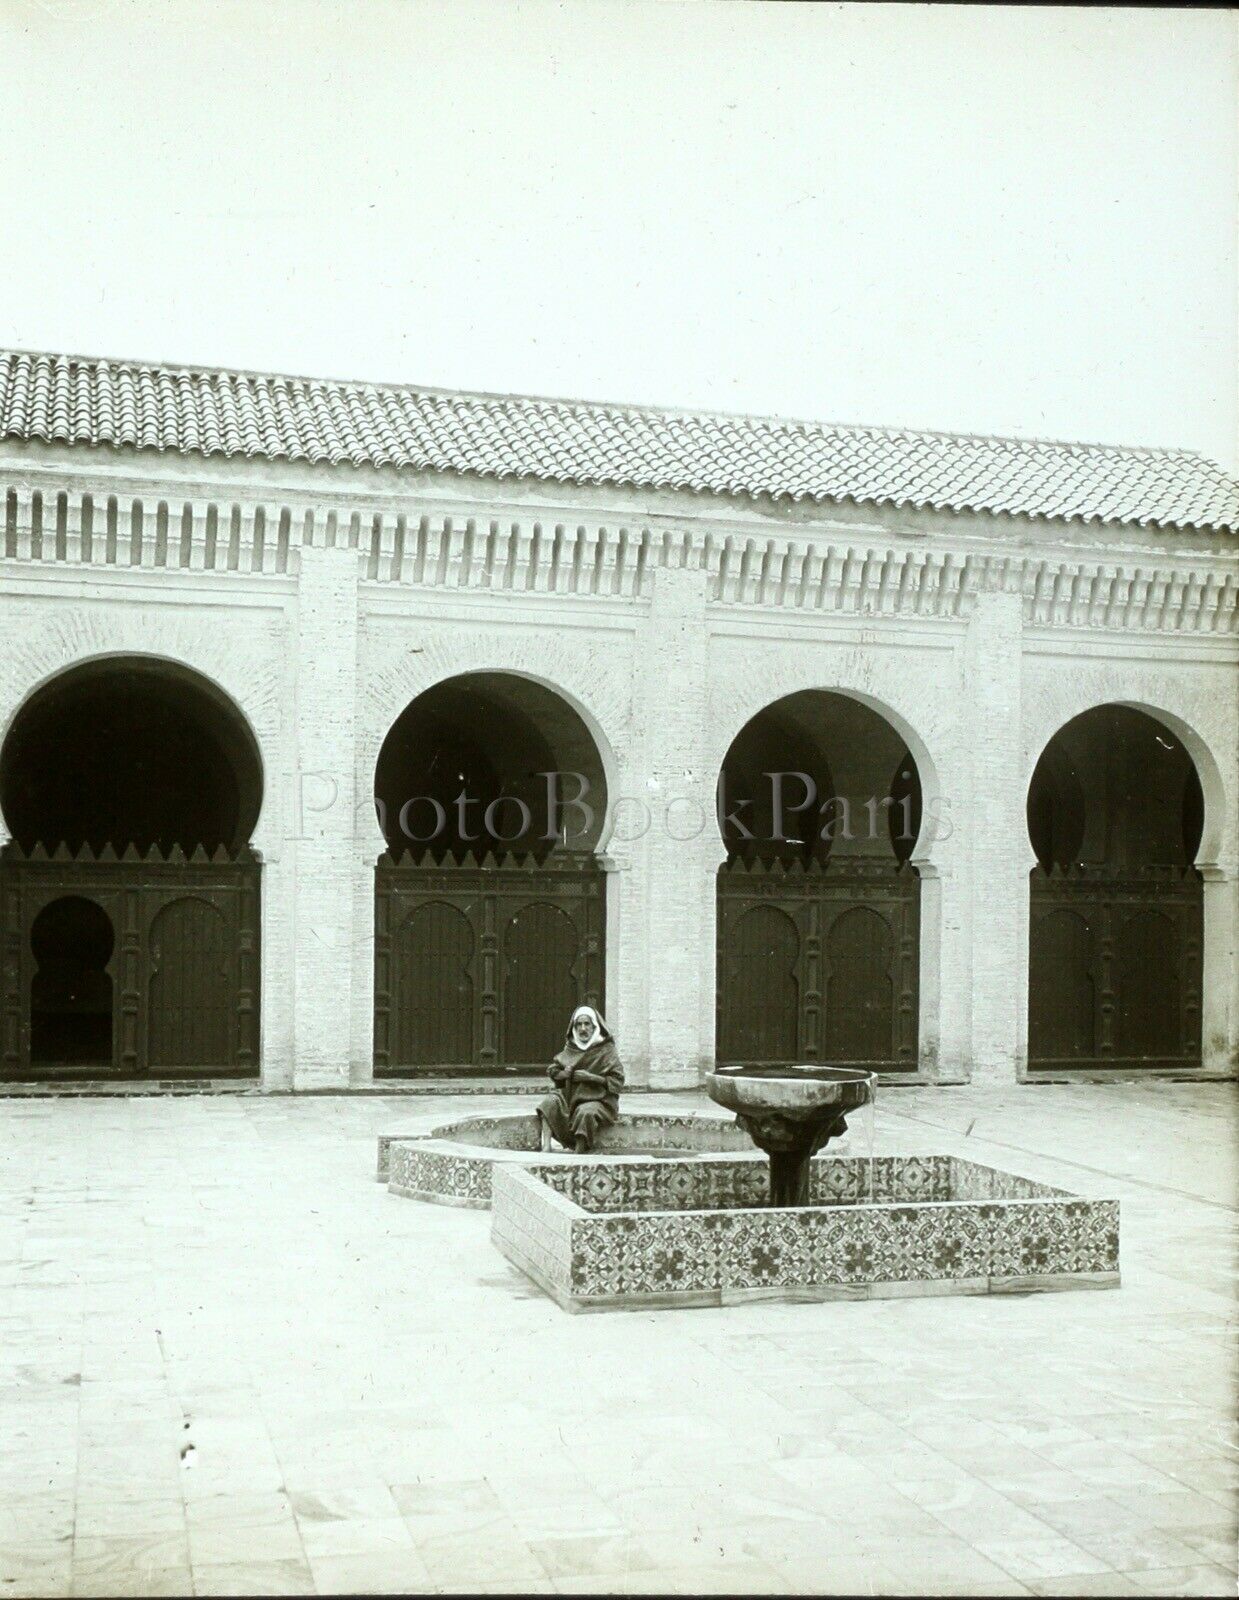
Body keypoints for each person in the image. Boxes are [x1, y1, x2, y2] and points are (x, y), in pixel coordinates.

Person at [537, 1004, 624, 1154]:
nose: (583, 1029)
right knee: (549, 1102)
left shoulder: (606, 1049)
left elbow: (618, 1080)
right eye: (579, 1024)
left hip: (598, 1100)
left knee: (585, 1112)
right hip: (571, 1098)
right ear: (574, 1027)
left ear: (594, 1026)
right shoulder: (571, 1047)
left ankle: (579, 1149)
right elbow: (553, 1070)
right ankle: (546, 1146)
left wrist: (592, 1078)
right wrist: (563, 1074)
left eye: (587, 1024)